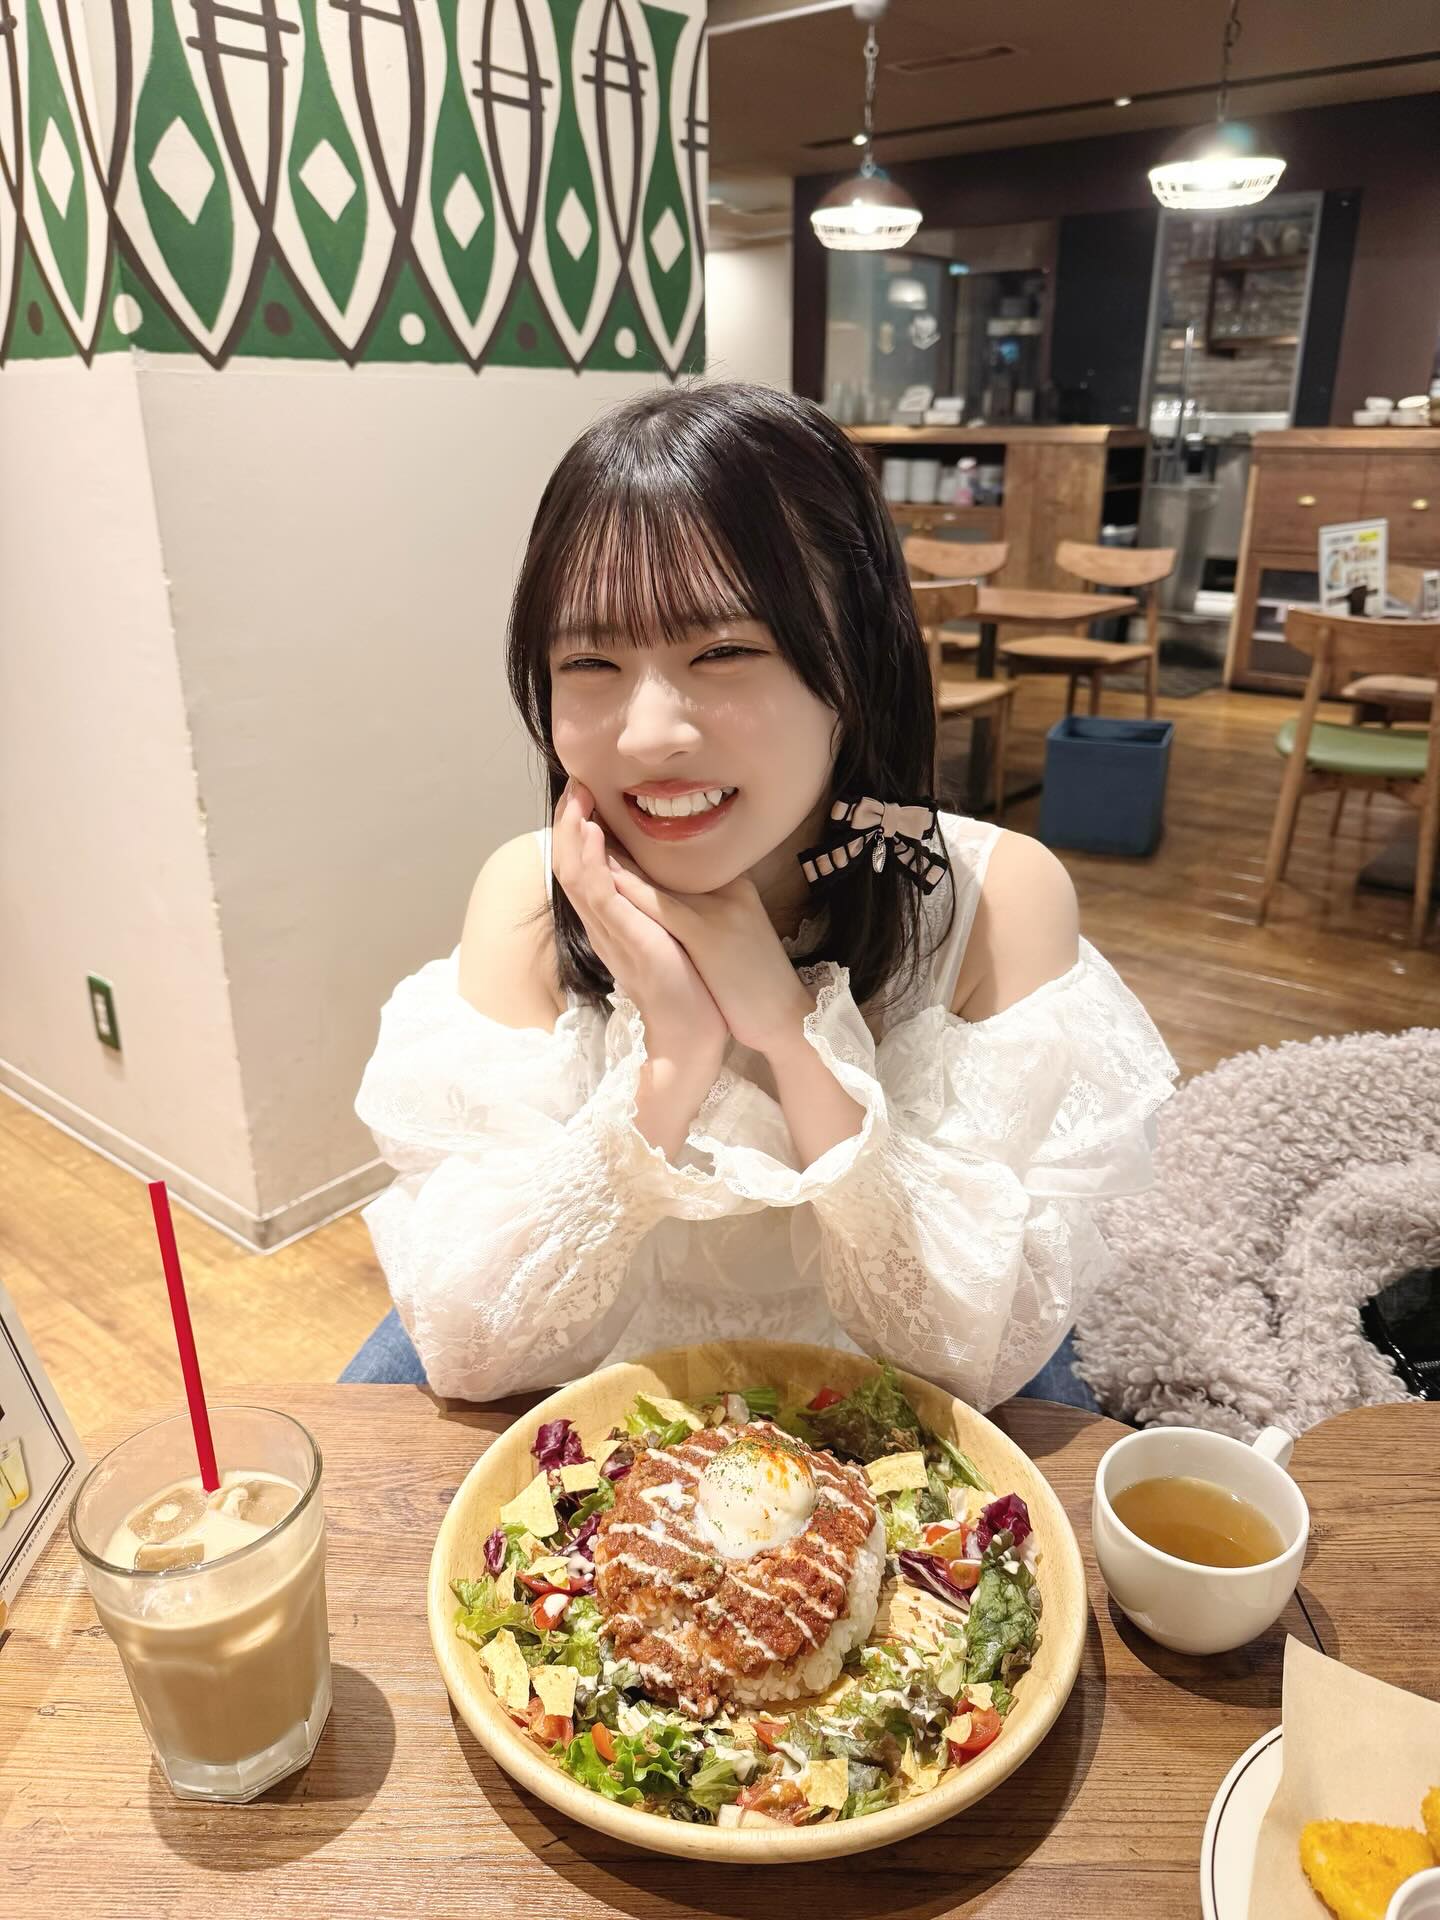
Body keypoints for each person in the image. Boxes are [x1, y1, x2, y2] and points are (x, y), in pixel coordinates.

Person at [343, 381, 1177, 1412]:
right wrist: (675, 1056)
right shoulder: (526, 893)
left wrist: (787, 1030)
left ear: (856, 665)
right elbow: (477, 1347)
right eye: (590, 660)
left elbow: (964, 1354)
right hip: (610, 1405)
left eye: (724, 651)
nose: (649, 735)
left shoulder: (992, 901)